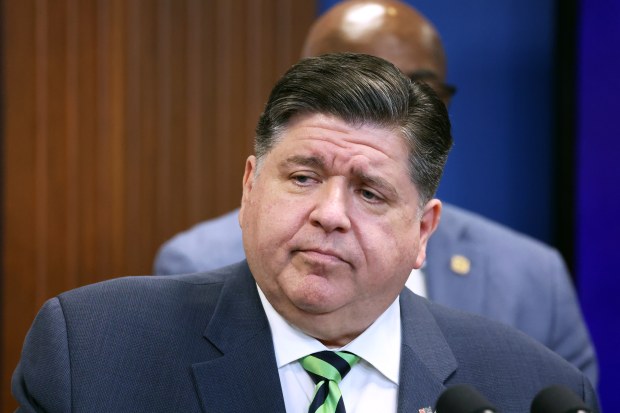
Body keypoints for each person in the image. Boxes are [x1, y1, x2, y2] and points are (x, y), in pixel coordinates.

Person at [13, 53, 598, 413]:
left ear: (423, 232)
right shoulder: (92, 353)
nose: (330, 214)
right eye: (302, 176)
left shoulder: (531, 387)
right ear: (249, 188)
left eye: (369, 193)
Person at [154, 0, 598, 386]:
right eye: (353, 82)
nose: (331, 215)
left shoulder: (534, 277)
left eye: (416, 90)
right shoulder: (193, 264)